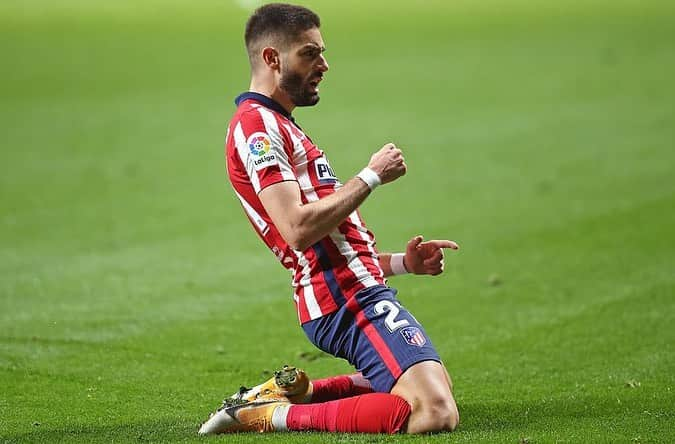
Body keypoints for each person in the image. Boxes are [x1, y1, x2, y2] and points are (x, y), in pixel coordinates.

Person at [199, 3, 460, 435]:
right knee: (433, 412)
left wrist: (401, 264)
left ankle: (286, 395)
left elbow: (335, 243)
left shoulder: (283, 125)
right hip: (342, 299)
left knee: (435, 386)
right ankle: (268, 416)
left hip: (355, 287)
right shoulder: (257, 128)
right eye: (309, 54)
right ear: (272, 58)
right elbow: (299, 230)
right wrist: (371, 175)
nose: (324, 64)